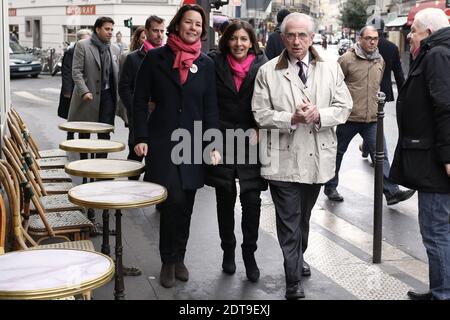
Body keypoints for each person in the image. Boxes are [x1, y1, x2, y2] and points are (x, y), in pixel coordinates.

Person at [252, 12, 353, 299]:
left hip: (317, 158)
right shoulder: (268, 71)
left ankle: (298, 257)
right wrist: (291, 118)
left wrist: (320, 113)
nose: (297, 41)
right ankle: (292, 278)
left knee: (303, 218)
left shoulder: (331, 69)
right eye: (291, 35)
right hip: (281, 158)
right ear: (282, 38)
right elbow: (259, 114)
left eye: (302, 35)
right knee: (288, 220)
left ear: (311, 38)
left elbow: (345, 106)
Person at [133, 4, 220, 289]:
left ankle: (180, 256)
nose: (193, 28)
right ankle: (167, 260)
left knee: (187, 204)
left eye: (198, 24)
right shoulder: (156, 58)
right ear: (178, 24)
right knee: (172, 202)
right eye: (189, 22)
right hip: (162, 141)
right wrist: (140, 138)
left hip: (194, 143)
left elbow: (210, 108)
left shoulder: (206, 64)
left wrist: (213, 144)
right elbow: (138, 100)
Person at [389, 8, 450, 301]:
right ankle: (441, 288)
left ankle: (443, 293)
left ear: (428, 31)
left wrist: (448, 157)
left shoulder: (437, 54)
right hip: (434, 157)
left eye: (413, 30)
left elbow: (445, 108)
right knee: (439, 229)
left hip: (436, 162)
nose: (409, 35)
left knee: (436, 230)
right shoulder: (437, 51)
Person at [323, 26, 415, 206]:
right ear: (360, 39)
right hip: (348, 118)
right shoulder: (347, 59)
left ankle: (391, 192)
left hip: (372, 119)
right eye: (368, 38)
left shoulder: (380, 60)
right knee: (337, 154)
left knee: (381, 155)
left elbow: (376, 85)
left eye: (375, 38)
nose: (372, 41)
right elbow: (333, 85)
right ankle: (330, 186)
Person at [206, 20, 268, 282]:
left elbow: (270, 100)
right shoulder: (213, 62)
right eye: (234, 38)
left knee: (252, 201)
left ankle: (249, 253)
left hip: (252, 140)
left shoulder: (264, 65)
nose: (239, 44)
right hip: (221, 137)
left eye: (244, 39)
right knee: (225, 198)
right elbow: (207, 102)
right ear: (226, 40)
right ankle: (228, 251)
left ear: (252, 42)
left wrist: (259, 126)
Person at [119, 16, 165, 177]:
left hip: (160, 118)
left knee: (157, 160)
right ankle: (131, 191)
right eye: (155, 31)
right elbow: (124, 88)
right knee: (135, 156)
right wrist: (138, 107)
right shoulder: (132, 58)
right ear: (146, 32)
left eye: (162, 31)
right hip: (140, 117)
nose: (159, 35)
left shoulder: (167, 56)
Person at [68, 16, 120, 155]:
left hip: (108, 96)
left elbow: (117, 75)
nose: (110, 32)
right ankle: (84, 167)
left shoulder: (114, 49)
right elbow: (76, 71)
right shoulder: (83, 45)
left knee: (105, 133)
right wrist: (84, 91)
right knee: (85, 133)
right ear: (97, 29)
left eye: (112, 29)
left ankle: (101, 166)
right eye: (107, 29)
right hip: (88, 97)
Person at [360, 17, 406, 159]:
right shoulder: (392, 47)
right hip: (383, 91)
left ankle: (372, 151)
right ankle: (372, 151)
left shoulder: (363, 45)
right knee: (374, 120)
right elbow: (398, 73)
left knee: (370, 121)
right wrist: (403, 95)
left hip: (363, 89)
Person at [58, 29, 91, 127]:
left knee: (83, 115)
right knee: (71, 114)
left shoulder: (89, 51)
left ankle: (84, 136)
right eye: (85, 40)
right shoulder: (71, 52)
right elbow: (66, 72)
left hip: (84, 88)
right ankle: (70, 135)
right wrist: (67, 90)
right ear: (79, 40)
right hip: (72, 88)